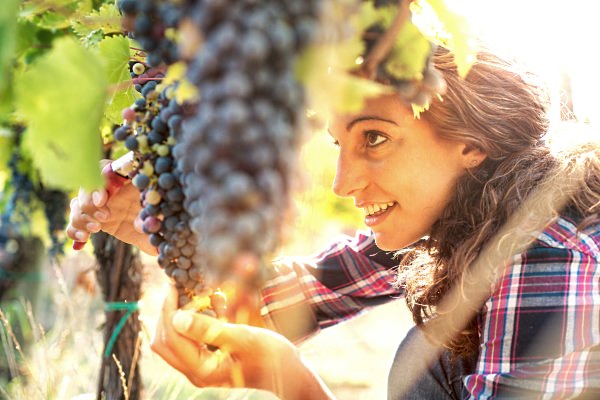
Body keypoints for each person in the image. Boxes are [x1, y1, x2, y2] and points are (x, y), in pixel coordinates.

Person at [67, 42, 600, 399]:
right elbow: (288, 302)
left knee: (426, 356)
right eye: (339, 145)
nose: (342, 183)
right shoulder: (464, 215)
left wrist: (292, 382)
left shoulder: (551, 256)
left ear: (472, 143)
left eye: (375, 138)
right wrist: (158, 227)